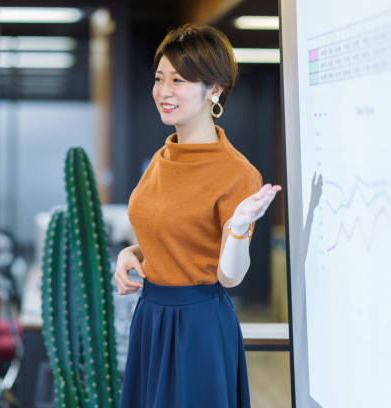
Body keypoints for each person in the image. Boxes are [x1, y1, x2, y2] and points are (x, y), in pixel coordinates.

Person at [115, 22, 282, 408]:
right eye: (160, 78)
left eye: (180, 80)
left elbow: (230, 275)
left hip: (199, 326)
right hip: (150, 318)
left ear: (215, 90)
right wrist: (133, 254)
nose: (164, 91)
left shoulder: (237, 172)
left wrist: (238, 230)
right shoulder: (161, 158)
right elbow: (174, 236)